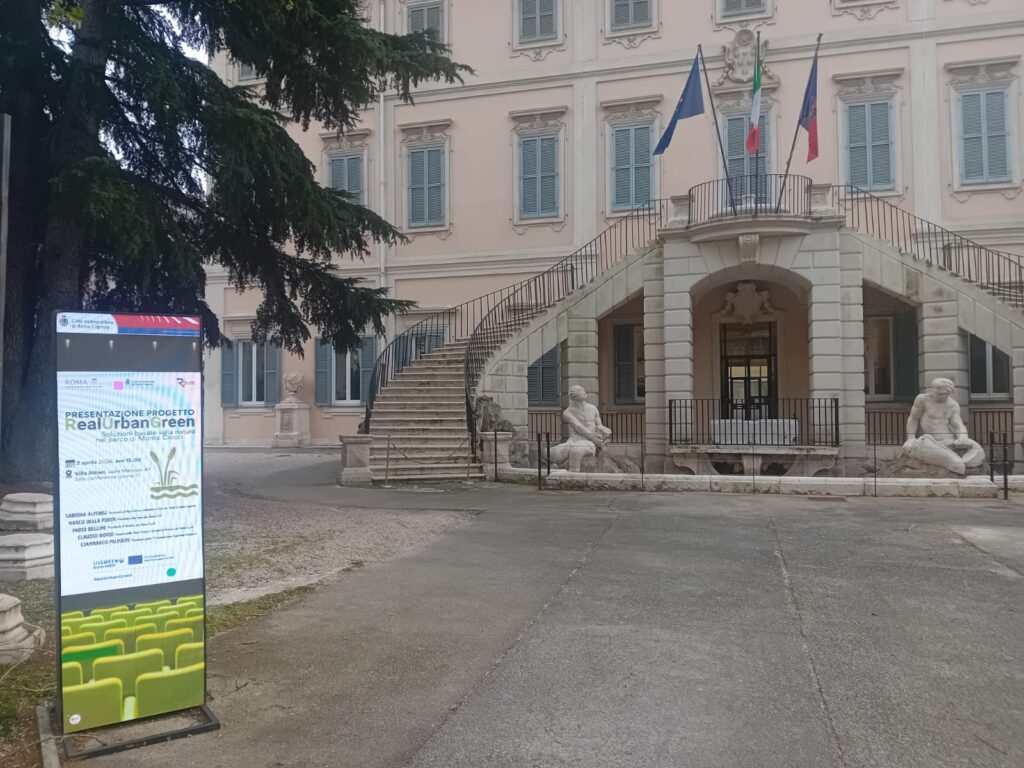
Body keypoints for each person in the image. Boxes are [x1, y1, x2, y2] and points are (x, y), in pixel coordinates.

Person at [902, 377, 984, 475]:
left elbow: (958, 424)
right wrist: (910, 438)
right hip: (930, 442)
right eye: (937, 393)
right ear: (932, 389)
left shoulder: (952, 405)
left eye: (943, 394)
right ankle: (956, 464)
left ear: (949, 393)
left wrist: (963, 437)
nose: (939, 396)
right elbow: (913, 418)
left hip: (949, 441)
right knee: (919, 447)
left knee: (976, 447)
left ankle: (958, 463)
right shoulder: (923, 399)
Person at [549, 385, 612, 472]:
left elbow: (599, 425)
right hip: (574, 440)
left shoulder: (593, 408)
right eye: (581, 390)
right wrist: (595, 439)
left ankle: (573, 474)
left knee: (576, 450)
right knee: (551, 453)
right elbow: (579, 427)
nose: (584, 392)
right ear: (574, 396)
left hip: (589, 442)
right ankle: (554, 466)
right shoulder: (568, 412)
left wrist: (603, 431)